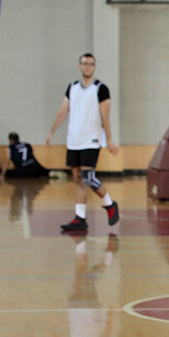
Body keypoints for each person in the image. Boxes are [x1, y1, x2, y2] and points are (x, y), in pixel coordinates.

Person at [46, 53, 120, 232]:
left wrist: (109, 139)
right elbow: (63, 111)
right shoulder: (72, 87)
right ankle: (80, 217)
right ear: (79, 66)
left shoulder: (100, 88)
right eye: (85, 64)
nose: (87, 67)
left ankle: (110, 204)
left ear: (94, 67)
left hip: (91, 139)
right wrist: (51, 132)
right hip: (74, 140)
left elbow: (105, 116)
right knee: (77, 177)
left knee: (88, 177)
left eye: (91, 64)